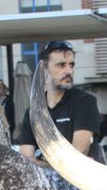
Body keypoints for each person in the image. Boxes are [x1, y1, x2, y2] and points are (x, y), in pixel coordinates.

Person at [18, 40, 100, 168]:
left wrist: (41, 160)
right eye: (61, 65)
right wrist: (56, 162)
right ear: (44, 69)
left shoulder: (84, 102)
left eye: (71, 65)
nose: (69, 71)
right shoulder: (34, 111)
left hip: (77, 180)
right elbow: (25, 161)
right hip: (45, 180)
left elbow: (78, 154)